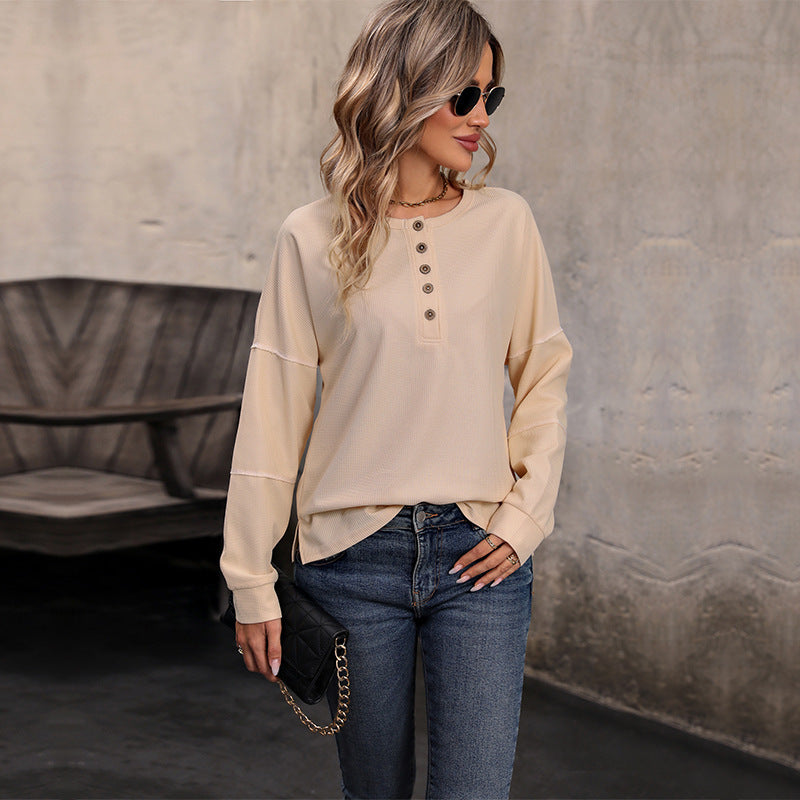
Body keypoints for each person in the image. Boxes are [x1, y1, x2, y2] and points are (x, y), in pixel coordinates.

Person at [219, 0, 573, 797]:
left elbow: (544, 375)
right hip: (348, 560)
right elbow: (273, 416)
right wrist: (249, 577)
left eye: (491, 95)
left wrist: (525, 518)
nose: (482, 116)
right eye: (464, 95)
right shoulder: (309, 236)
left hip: (480, 554)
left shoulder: (507, 223)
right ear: (402, 90)